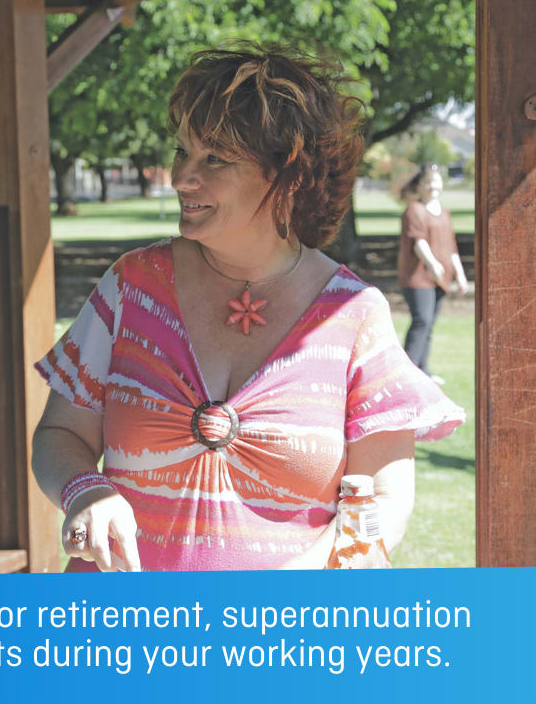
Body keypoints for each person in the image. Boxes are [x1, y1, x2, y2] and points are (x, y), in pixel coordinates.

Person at [32, 46, 465, 572]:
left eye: (214, 158)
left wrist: (276, 601)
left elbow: (385, 500)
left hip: (285, 640)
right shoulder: (132, 285)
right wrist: (86, 491)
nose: (181, 178)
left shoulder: (355, 314)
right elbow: (60, 435)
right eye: (182, 151)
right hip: (121, 636)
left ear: (291, 174)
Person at [397, 164, 469, 383]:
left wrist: (461, 274)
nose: (432, 186)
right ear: (420, 186)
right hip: (418, 277)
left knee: (429, 324)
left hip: (440, 278)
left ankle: (423, 369)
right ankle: (406, 372)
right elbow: (418, 242)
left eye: (436, 181)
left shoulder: (444, 212)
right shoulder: (414, 210)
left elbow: (451, 246)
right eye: (428, 182)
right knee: (422, 320)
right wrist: (433, 264)